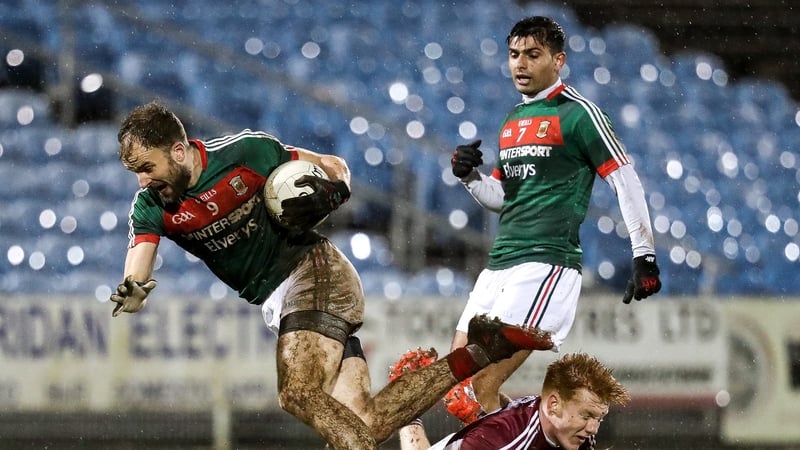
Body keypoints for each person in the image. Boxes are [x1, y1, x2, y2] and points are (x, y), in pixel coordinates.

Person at [109, 101, 555, 450]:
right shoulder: (151, 206)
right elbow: (139, 263)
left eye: (147, 168)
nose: (143, 181)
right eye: (135, 173)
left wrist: (335, 191)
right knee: (364, 423)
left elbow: (333, 165)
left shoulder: (247, 153)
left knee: (297, 393)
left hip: (314, 272)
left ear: (179, 151)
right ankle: (481, 350)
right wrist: (133, 290)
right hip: (284, 302)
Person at [444, 15, 662, 424]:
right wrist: (469, 176)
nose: (520, 64)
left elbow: (625, 180)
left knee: (476, 390)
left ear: (558, 60)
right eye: (514, 55)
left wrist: (644, 254)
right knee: (457, 390)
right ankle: (537, 437)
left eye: (533, 54)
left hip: (545, 264)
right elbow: (502, 198)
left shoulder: (580, 114)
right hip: (499, 265)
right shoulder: (512, 120)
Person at [395, 351, 630, 450]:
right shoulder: (501, 441)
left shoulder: (576, 432)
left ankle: (476, 410)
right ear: (553, 405)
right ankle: (405, 403)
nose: (593, 428)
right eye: (587, 416)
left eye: (599, 418)